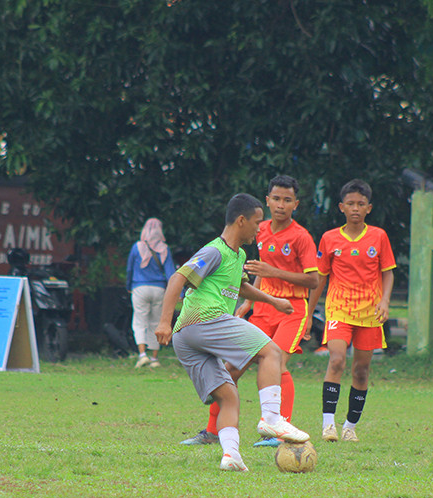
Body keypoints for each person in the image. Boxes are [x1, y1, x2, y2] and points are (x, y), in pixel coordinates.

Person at [155, 193, 310, 472]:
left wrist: (274, 302)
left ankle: (230, 456)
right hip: (205, 319)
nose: (260, 228)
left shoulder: (237, 255)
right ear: (241, 221)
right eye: (257, 222)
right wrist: (164, 321)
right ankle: (272, 418)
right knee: (271, 351)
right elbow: (178, 277)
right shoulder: (215, 251)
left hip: (186, 338)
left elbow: (241, 288)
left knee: (228, 395)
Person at [179, 175, 319, 447]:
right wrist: (248, 303)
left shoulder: (301, 236)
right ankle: (212, 431)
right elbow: (253, 273)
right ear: (267, 201)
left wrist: (273, 273)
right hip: (264, 306)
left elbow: (314, 280)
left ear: (296, 204)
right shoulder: (259, 228)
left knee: (276, 363)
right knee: (232, 367)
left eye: (287, 200)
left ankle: (279, 429)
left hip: (292, 308)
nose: (280, 204)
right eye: (276, 199)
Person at [308, 179, 395, 443]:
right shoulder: (330, 238)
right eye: (350, 204)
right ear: (341, 207)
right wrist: (308, 313)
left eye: (360, 204)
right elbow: (320, 278)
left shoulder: (379, 236)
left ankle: (350, 426)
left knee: (361, 371)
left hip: (370, 313)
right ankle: (328, 425)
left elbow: (388, 273)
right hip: (339, 309)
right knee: (336, 360)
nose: (355, 208)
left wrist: (385, 301)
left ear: (368, 208)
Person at [127, 217, 176, 369]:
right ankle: (154, 358)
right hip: (159, 290)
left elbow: (130, 269)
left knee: (140, 321)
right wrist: (176, 291)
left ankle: (142, 355)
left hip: (139, 288)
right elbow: (171, 274)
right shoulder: (164, 248)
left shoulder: (137, 247)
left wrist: (129, 285)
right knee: (156, 322)